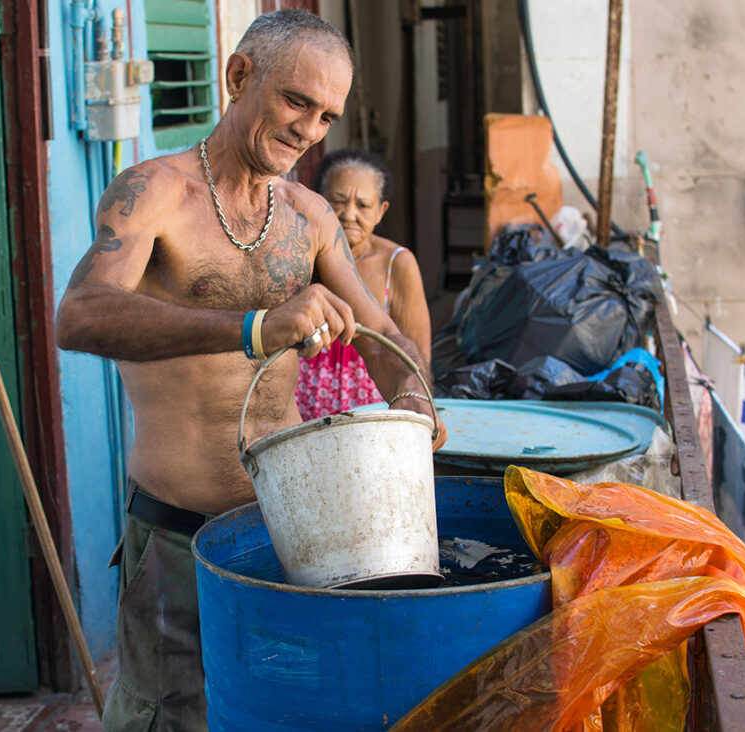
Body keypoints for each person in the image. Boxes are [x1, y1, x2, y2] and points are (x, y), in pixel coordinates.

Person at [54, 9, 444, 731]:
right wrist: (253, 327)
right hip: (177, 531)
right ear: (240, 76)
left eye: (327, 115)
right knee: (167, 718)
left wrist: (414, 400)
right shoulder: (155, 191)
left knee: (287, 707)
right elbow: (77, 315)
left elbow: (384, 337)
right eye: (297, 101)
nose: (309, 130)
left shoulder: (308, 216)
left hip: (291, 526)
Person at [296, 149, 430, 420]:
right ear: (319, 203)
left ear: (381, 211)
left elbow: (418, 357)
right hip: (299, 417)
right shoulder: (297, 257)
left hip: (372, 421)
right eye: (338, 201)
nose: (349, 214)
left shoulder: (397, 264)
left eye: (363, 205)